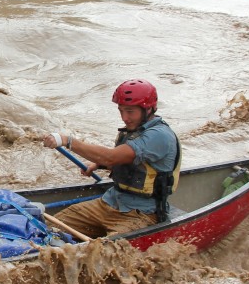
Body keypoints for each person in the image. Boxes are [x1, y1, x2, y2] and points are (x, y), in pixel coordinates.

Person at [40, 79, 181, 239]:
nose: (124, 118)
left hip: (141, 213)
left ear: (148, 109)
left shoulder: (159, 136)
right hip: (109, 202)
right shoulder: (132, 131)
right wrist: (98, 164)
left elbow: (111, 157)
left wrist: (67, 141)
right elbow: (127, 163)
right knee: (50, 229)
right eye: (121, 111)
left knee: (110, 252)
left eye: (130, 111)